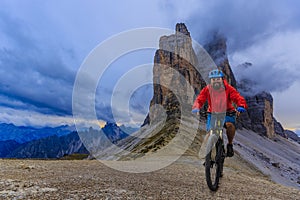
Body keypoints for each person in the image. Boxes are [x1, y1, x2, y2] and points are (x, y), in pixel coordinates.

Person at [192, 69, 248, 157]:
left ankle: (229, 144)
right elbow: (200, 99)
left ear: (222, 79)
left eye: (218, 79)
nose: (216, 81)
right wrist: (196, 107)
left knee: (230, 125)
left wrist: (241, 105)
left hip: (227, 112)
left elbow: (237, 97)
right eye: (213, 79)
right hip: (213, 113)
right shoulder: (207, 89)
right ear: (210, 81)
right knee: (209, 133)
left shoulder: (228, 89)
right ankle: (206, 157)